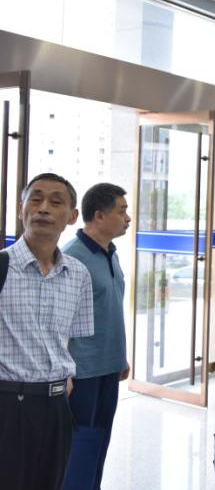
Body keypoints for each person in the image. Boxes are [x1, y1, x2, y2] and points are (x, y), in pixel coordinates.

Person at [0, 173, 93, 490]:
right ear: (21, 209)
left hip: (55, 408)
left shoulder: (78, 274)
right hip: (6, 403)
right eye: (36, 199)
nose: (43, 208)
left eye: (56, 202)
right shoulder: (2, 267)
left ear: (72, 216)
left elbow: (71, 339)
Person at [61, 183, 131, 490]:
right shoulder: (72, 257)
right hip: (82, 373)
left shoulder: (110, 253)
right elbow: (59, 321)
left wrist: (120, 357)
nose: (128, 218)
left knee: (100, 442)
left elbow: (110, 309)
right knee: (79, 448)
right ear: (99, 215)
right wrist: (64, 372)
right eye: (122, 211)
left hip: (109, 368)